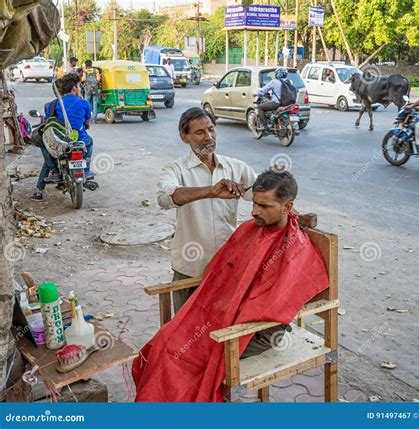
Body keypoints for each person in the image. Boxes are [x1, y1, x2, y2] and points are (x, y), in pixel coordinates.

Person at [133, 170, 330, 402]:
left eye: (264, 206)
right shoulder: (249, 229)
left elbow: (272, 308)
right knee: (162, 343)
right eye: (254, 203)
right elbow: (220, 276)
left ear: (288, 207)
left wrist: (224, 324)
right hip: (224, 318)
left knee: (188, 361)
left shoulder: (295, 247)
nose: (255, 211)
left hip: (258, 331)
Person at [157, 107, 257, 312]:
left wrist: (291, 210)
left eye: (211, 129)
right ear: (184, 137)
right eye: (199, 132)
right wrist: (210, 191)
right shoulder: (175, 169)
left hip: (227, 266)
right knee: (185, 329)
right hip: (190, 267)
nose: (208, 137)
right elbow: (166, 198)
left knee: (222, 326)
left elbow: (261, 193)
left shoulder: (235, 167)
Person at [46, 74, 94, 178]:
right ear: (74, 88)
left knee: (46, 145)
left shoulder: (54, 103)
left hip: (61, 140)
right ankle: (86, 170)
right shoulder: (84, 103)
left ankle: (54, 170)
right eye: (79, 87)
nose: (80, 89)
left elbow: (48, 121)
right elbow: (87, 121)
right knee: (89, 142)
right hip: (80, 139)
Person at [253, 67, 288, 132]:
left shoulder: (274, 82)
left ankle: (265, 126)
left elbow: (263, 90)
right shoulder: (289, 81)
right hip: (289, 103)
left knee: (260, 108)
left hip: (277, 103)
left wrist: (255, 93)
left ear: (277, 74)